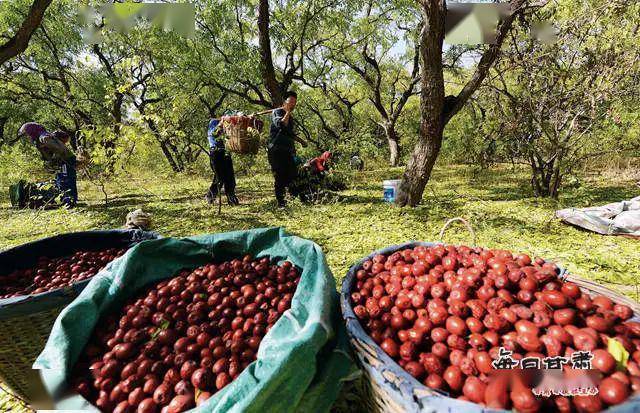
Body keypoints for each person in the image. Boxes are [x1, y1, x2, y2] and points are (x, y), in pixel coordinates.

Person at [17, 122, 78, 207]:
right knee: (60, 181)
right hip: (62, 160)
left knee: (66, 180)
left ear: (32, 131)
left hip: (66, 159)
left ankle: (70, 202)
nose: (27, 137)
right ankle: (66, 201)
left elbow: (59, 150)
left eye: (27, 134)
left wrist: (54, 161)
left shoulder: (44, 137)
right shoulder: (39, 139)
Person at [268, 91, 308, 207]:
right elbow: (281, 125)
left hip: (288, 151)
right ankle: (281, 203)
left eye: (294, 102)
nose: (293, 104)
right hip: (276, 151)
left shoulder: (290, 117)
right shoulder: (277, 112)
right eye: (290, 102)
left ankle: (295, 200)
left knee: (292, 175)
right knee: (280, 176)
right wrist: (288, 112)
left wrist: (301, 141)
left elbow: (289, 133)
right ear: (284, 102)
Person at [205, 118, 239, 206]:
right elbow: (215, 134)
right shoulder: (213, 124)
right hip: (216, 153)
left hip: (226, 153)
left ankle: (231, 197)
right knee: (219, 177)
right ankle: (210, 196)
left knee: (230, 177)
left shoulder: (226, 126)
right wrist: (221, 122)